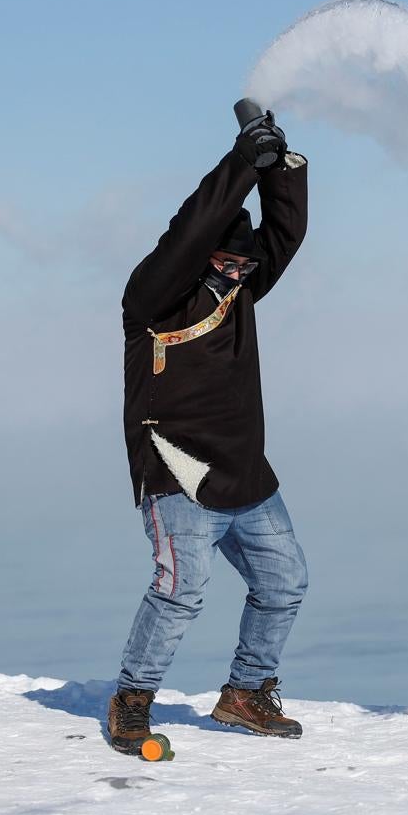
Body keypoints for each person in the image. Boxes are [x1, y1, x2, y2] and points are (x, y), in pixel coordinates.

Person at [107, 108, 310, 754]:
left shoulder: (241, 290)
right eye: (225, 264)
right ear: (203, 258)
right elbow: (191, 230)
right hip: (177, 473)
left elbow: (283, 233)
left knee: (283, 583)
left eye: (244, 268)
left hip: (246, 474)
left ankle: (244, 695)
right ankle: (131, 702)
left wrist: (280, 170)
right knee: (180, 591)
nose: (237, 275)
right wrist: (239, 162)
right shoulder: (153, 298)